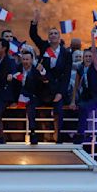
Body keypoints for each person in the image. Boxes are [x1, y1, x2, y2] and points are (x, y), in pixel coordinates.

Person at [29, 9, 71, 143]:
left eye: (55, 33)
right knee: (30, 106)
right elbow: (33, 35)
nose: (53, 35)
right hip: (42, 89)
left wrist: (60, 93)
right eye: (51, 33)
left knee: (59, 111)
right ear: (48, 37)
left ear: (59, 37)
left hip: (56, 89)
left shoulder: (66, 54)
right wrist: (34, 22)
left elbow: (67, 76)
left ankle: (57, 136)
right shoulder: (44, 47)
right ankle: (33, 134)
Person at [73, 27, 97, 144]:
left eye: (89, 56)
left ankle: (81, 135)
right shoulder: (80, 68)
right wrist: (73, 101)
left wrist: (92, 37)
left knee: (83, 107)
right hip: (87, 96)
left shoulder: (95, 66)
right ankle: (81, 133)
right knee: (79, 106)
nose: (88, 58)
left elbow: (94, 51)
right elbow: (76, 85)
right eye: (85, 56)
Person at [14, 51, 49, 144]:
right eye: (24, 59)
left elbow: (45, 79)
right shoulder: (17, 68)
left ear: (32, 60)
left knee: (31, 106)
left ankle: (32, 132)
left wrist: (42, 72)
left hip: (34, 96)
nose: (25, 62)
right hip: (19, 96)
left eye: (27, 59)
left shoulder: (37, 70)